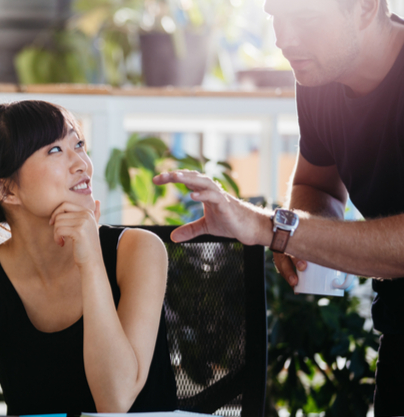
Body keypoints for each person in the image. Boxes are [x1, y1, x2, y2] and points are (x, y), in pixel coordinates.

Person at [154, 0, 404, 414]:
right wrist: (313, 243)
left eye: (304, 19)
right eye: (275, 18)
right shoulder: (320, 77)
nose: (283, 40)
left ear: (364, 8)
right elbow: (315, 183)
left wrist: (278, 228)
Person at [0, 100, 177, 415]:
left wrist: (90, 260)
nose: (81, 163)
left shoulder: (138, 251)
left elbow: (115, 401)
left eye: (78, 144)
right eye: (55, 151)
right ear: (7, 191)